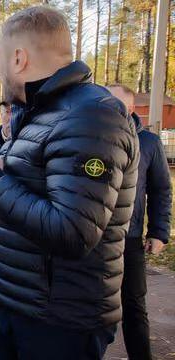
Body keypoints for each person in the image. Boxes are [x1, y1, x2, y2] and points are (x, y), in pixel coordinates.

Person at [0, 6, 139, 359]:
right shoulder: (40, 111)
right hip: (11, 303)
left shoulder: (91, 115)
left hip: (56, 324)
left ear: (18, 58)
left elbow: (73, 231)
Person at [108, 84, 172, 360]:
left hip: (129, 238)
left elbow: (160, 189)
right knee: (86, 309)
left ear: (131, 109)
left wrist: (158, 231)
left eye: (116, 104)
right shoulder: (87, 136)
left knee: (133, 307)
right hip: (91, 239)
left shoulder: (148, 142)